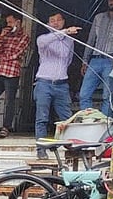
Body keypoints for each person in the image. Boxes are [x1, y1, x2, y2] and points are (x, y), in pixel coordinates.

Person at [34, 13, 79, 159]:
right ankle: (41, 149)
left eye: (59, 20)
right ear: (47, 24)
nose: (56, 23)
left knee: (67, 118)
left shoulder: (69, 40)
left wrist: (65, 34)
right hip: (44, 83)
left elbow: (69, 59)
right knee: (42, 118)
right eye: (52, 20)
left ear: (64, 21)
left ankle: (71, 148)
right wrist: (65, 31)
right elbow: (46, 40)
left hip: (61, 84)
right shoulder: (43, 39)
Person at [0, 12, 29, 138]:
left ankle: (6, 127)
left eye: (10, 22)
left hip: (12, 72)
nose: (9, 25)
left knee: (10, 101)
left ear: (18, 22)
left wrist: (4, 57)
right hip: (0, 71)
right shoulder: (5, 36)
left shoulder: (24, 36)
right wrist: (1, 37)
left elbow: (17, 53)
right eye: (7, 23)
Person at [81, 0, 113, 118]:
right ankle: (88, 121)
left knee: (108, 95)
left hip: (111, 60)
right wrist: (85, 61)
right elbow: (91, 40)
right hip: (95, 60)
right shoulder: (98, 17)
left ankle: (105, 124)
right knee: (84, 94)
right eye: (111, 0)